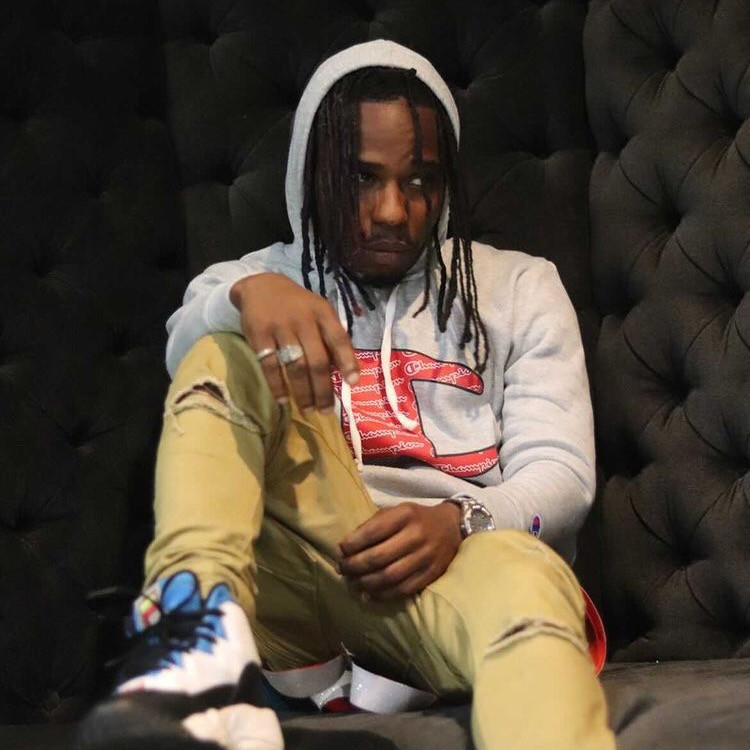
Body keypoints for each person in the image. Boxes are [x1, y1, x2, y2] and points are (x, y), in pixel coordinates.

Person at [80, 40, 614, 750]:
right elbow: (186, 350)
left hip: (454, 571)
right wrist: (247, 296)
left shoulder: (519, 286)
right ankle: (197, 645)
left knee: (527, 584)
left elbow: (563, 474)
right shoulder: (257, 278)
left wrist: (462, 520)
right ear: (314, 177)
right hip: (295, 567)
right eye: (362, 178)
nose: (393, 210)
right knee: (224, 348)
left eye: (420, 181)